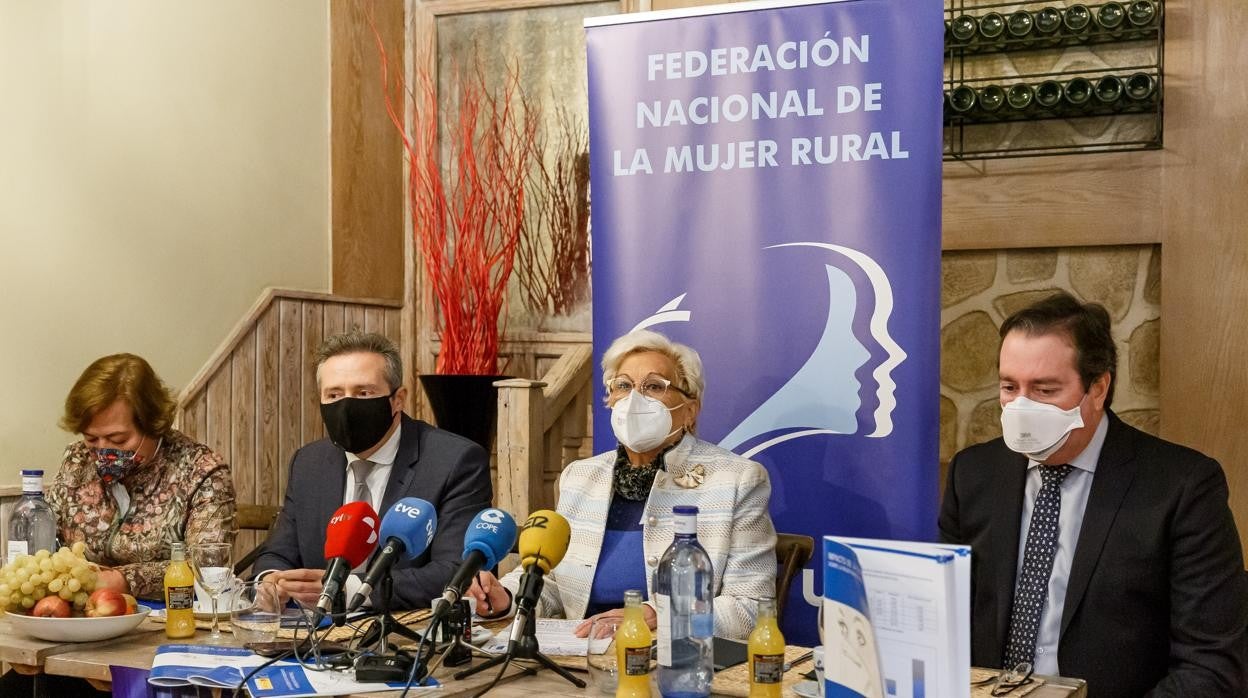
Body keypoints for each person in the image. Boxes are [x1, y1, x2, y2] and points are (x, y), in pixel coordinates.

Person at [939, 291, 1247, 697]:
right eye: (1010, 387)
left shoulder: (1182, 486)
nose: (1021, 407)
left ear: (1098, 387)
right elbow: (944, 621)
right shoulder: (974, 473)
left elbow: (1212, 664)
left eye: (1046, 390)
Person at [467, 329, 777, 640]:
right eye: (623, 386)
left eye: (654, 386)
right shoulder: (580, 477)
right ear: (610, 400)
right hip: (578, 656)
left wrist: (659, 616)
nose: (634, 398)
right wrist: (505, 597)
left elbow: (750, 608)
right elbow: (557, 585)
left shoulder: (737, 480)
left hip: (675, 659)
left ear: (690, 411)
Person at [254, 331, 492, 610]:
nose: (346, 406)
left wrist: (350, 588)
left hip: (407, 638)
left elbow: (456, 571)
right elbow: (277, 554)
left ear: (398, 399)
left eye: (363, 393)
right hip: (315, 637)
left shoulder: (454, 461)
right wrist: (269, 583)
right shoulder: (309, 463)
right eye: (334, 394)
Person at [48, 353, 236, 600]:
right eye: (91, 439)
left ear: (153, 425)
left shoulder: (201, 471)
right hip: (81, 615)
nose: (103, 451)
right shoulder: (77, 459)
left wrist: (124, 581)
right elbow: (47, 541)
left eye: (118, 439)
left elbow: (208, 569)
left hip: (167, 621)